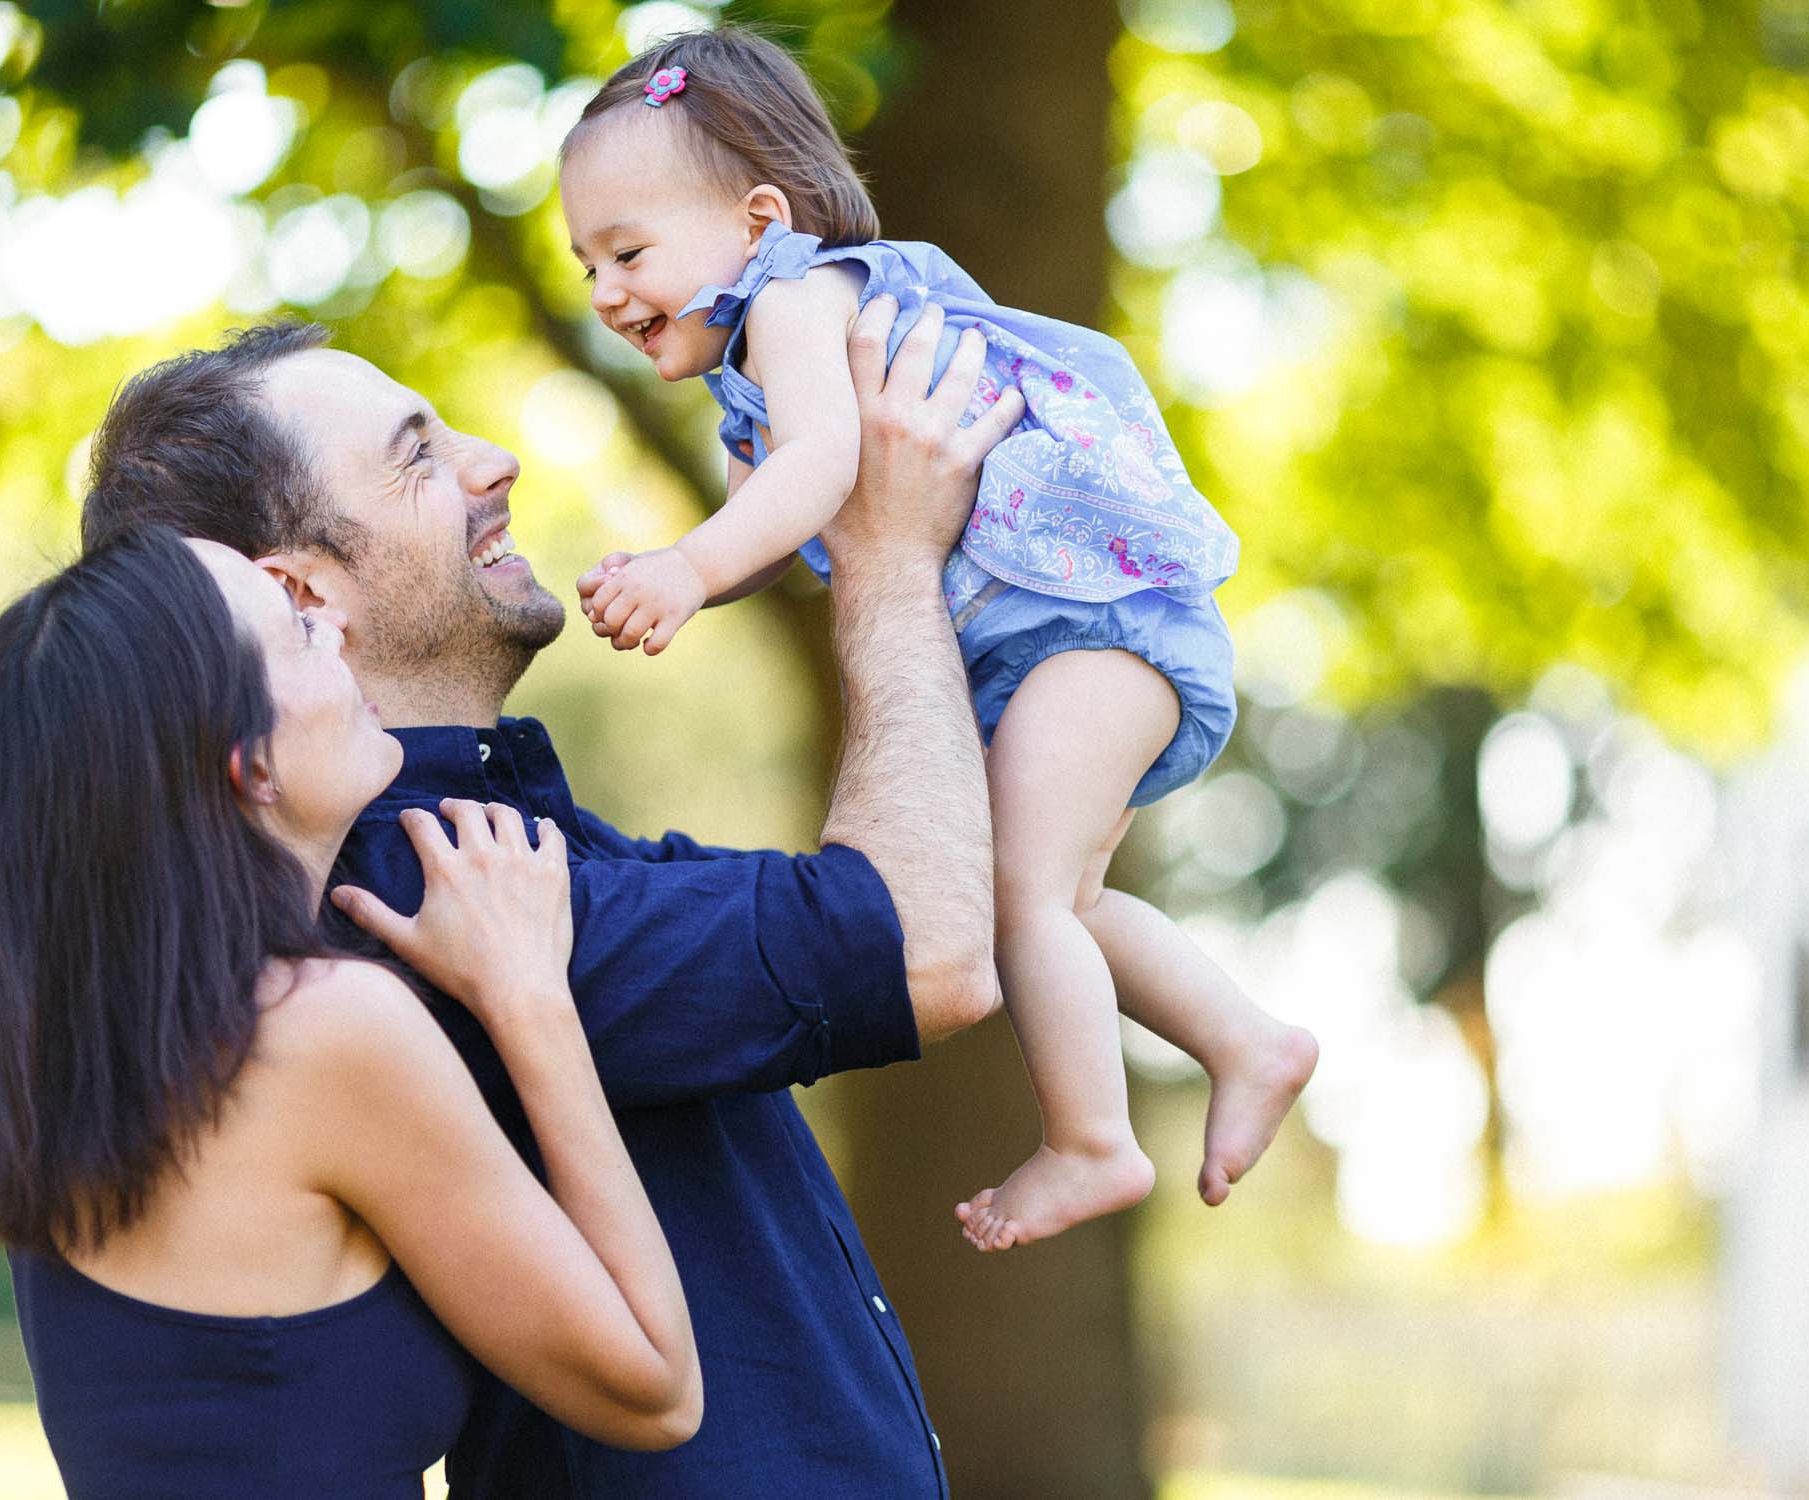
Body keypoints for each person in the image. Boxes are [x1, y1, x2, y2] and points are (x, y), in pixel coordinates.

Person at [76, 305, 1016, 1498]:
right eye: (419, 452)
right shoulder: (416, 895)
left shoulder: (510, 849)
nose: (494, 460)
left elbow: (888, 908)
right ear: (298, 592)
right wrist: (885, 559)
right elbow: (926, 947)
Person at [558, 26, 1319, 1252]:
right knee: (1051, 898)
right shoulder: (760, 357)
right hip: (1063, 639)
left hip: (1087, 624)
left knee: (1018, 900)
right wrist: (708, 572)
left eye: (628, 251)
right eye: (585, 261)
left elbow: (819, 468)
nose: (603, 292)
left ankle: (1094, 1143)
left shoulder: (801, 296)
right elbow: (810, 516)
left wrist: (687, 567)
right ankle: (1246, 1038)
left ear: (758, 220)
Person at [0, 525, 701, 1499]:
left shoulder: (67, 1056)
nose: (335, 623)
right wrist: (529, 996)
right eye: (298, 629)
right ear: (247, 765)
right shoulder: (320, 1033)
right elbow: (656, 1390)